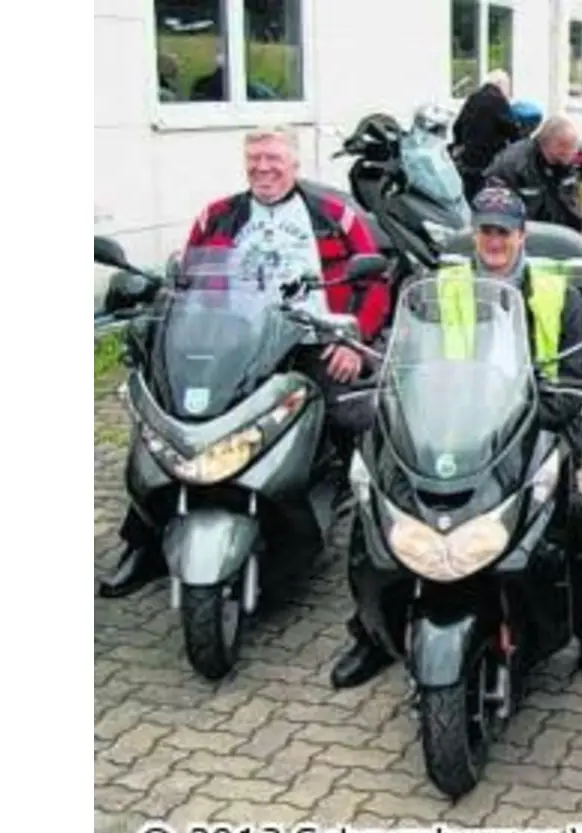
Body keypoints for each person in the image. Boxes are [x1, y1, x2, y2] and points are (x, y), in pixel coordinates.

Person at [328, 186, 582, 691]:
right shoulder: (438, 287)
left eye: (503, 232)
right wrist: (382, 387)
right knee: (375, 514)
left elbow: (575, 375)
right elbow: (401, 354)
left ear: (520, 235)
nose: (493, 240)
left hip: (532, 427)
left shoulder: (558, 296)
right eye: (485, 230)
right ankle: (371, 633)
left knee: (571, 519)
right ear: (474, 235)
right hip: (447, 423)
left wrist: (549, 410)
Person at [97, 127, 391, 599]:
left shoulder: (334, 215)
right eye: (253, 159)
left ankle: (367, 531)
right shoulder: (217, 217)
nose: (263, 167)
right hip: (236, 340)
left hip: (312, 338)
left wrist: (354, 340)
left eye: (273, 158)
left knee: (352, 413)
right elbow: (186, 283)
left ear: (295, 163)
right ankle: (142, 542)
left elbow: (375, 280)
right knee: (161, 422)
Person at [483, 116, 582, 234]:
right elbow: (494, 210)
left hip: (559, 235)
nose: (573, 153)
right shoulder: (512, 164)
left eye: (574, 147)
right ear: (551, 145)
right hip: (524, 236)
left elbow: (572, 202)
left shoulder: (567, 165)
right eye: (568, 147)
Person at [451, 70, 524, 200]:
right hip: (488, 162)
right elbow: (512, 130)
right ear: (501, 85)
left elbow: (457, 126)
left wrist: (461, 144)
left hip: (468, 162)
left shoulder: (473, 98)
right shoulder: (498, 101)